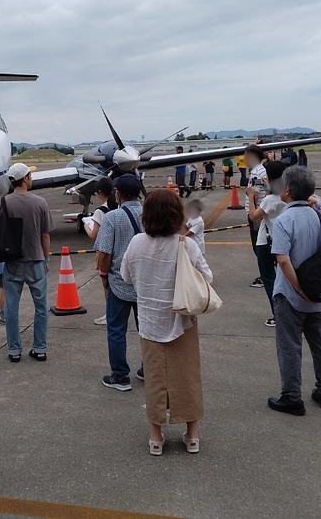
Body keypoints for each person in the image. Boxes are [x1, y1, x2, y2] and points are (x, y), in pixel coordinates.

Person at [120, 190, 212, 456]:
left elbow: (126, 277)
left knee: (155, 379)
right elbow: (208, 277)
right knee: (187, 376)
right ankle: (192, 435)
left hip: (149, 322)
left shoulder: (137, 243)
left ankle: (156, 437)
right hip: (182, 320)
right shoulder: (186, 244)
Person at [267, 166, 321, 416]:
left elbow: (283, 260)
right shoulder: (319, 217)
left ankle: (292, 396)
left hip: (290, 295)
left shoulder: (284, 220)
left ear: (286, 190)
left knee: (290, 346)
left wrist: (299, 289)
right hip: (319, 296)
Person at [0, 163, 54, 362]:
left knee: (11, 308)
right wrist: (46, 257)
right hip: (35, 260)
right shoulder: (40, 202)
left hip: (13, 260)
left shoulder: (4, 202)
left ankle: (14, 350)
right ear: (25, 179)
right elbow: (45, 234)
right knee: (41, 307)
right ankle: (40, 348)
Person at [95, 174, 145, 390]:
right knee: (148, 330)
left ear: (118, 194)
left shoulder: (112, 217)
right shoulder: (151, 214)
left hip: (119, 283)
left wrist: (104, 277)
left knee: (116, 330)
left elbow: (104, 253)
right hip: (146, 284)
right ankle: (149, 369)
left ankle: (120, 375)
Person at [246, 161, 286, 327]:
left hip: (266, 242)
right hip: (283, 240)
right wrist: (268, 186)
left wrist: (250, 196)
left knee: (269, 278)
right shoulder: (286, 193)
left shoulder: (270, 199)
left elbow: (254, 216)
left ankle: (278, 314)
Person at [84, 177, 118, 325]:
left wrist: (86, 225)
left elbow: (94, 235)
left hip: (104, 251)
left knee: (106, 284)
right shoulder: (118, 206)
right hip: (119, 249)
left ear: (99, 193)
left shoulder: (99, 212)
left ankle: (110, 314)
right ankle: (117, 313)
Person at [244, 145, 270, 287]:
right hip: (259, 212)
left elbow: (256, 193)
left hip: (256, 214)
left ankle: (265, 276)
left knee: (258, 246)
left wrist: (252, 212)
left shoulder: (256, 172)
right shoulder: (260, 170)